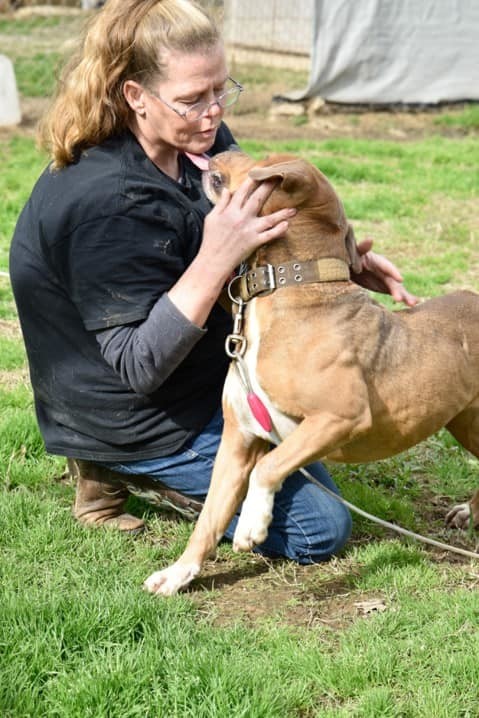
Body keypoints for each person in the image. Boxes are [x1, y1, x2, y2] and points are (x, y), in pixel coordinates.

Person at [10, 0, 417, 567]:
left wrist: (336, 262)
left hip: (205, 370)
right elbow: (138, 367)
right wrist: (217, 255)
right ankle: (117, 464)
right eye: (193, 99)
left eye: (222, 91)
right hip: (132, 407)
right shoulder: (103, 204)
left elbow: (263, 215)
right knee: (318, 530)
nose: (213, 114)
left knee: (319, 421)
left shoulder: (192, 141)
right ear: (135, 96)